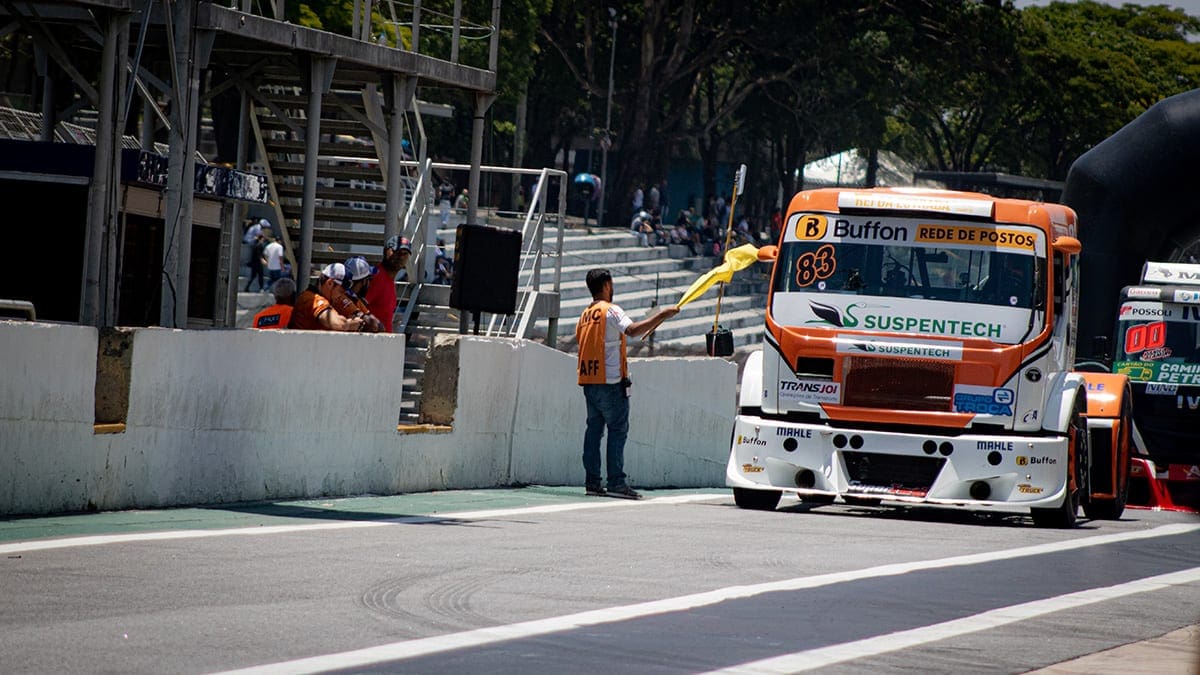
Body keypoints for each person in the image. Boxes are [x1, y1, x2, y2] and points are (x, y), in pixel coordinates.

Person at [576, 268, 680, 499]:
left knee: (593, 432)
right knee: (617, 431)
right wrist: (662, 316)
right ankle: (616, 482)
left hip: (589, 381)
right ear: (605, 286)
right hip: (611, 382)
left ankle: (592, 482)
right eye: (611, 284)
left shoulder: (585, 314)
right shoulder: (611, 311)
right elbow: (632, 330)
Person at [288, 263, 366, 332]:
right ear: (330, 283)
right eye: (341, 291)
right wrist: (349, 324)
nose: (341, 296)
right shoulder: (310, 299)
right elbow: (337, 324)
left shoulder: (331, 297)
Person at [365, 235, 411, 333]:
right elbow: (358, 308)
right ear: (387, 252)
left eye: (405, 253)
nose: (401, 257)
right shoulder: (377, 276)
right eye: (396, 252)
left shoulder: (389, 280)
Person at [326, 256, 383, 333]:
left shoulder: (355, 299)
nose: (369, 284)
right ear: (363, 281)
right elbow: (373, 325)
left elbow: (379, 326)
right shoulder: (341, 298)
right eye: (368, 279)